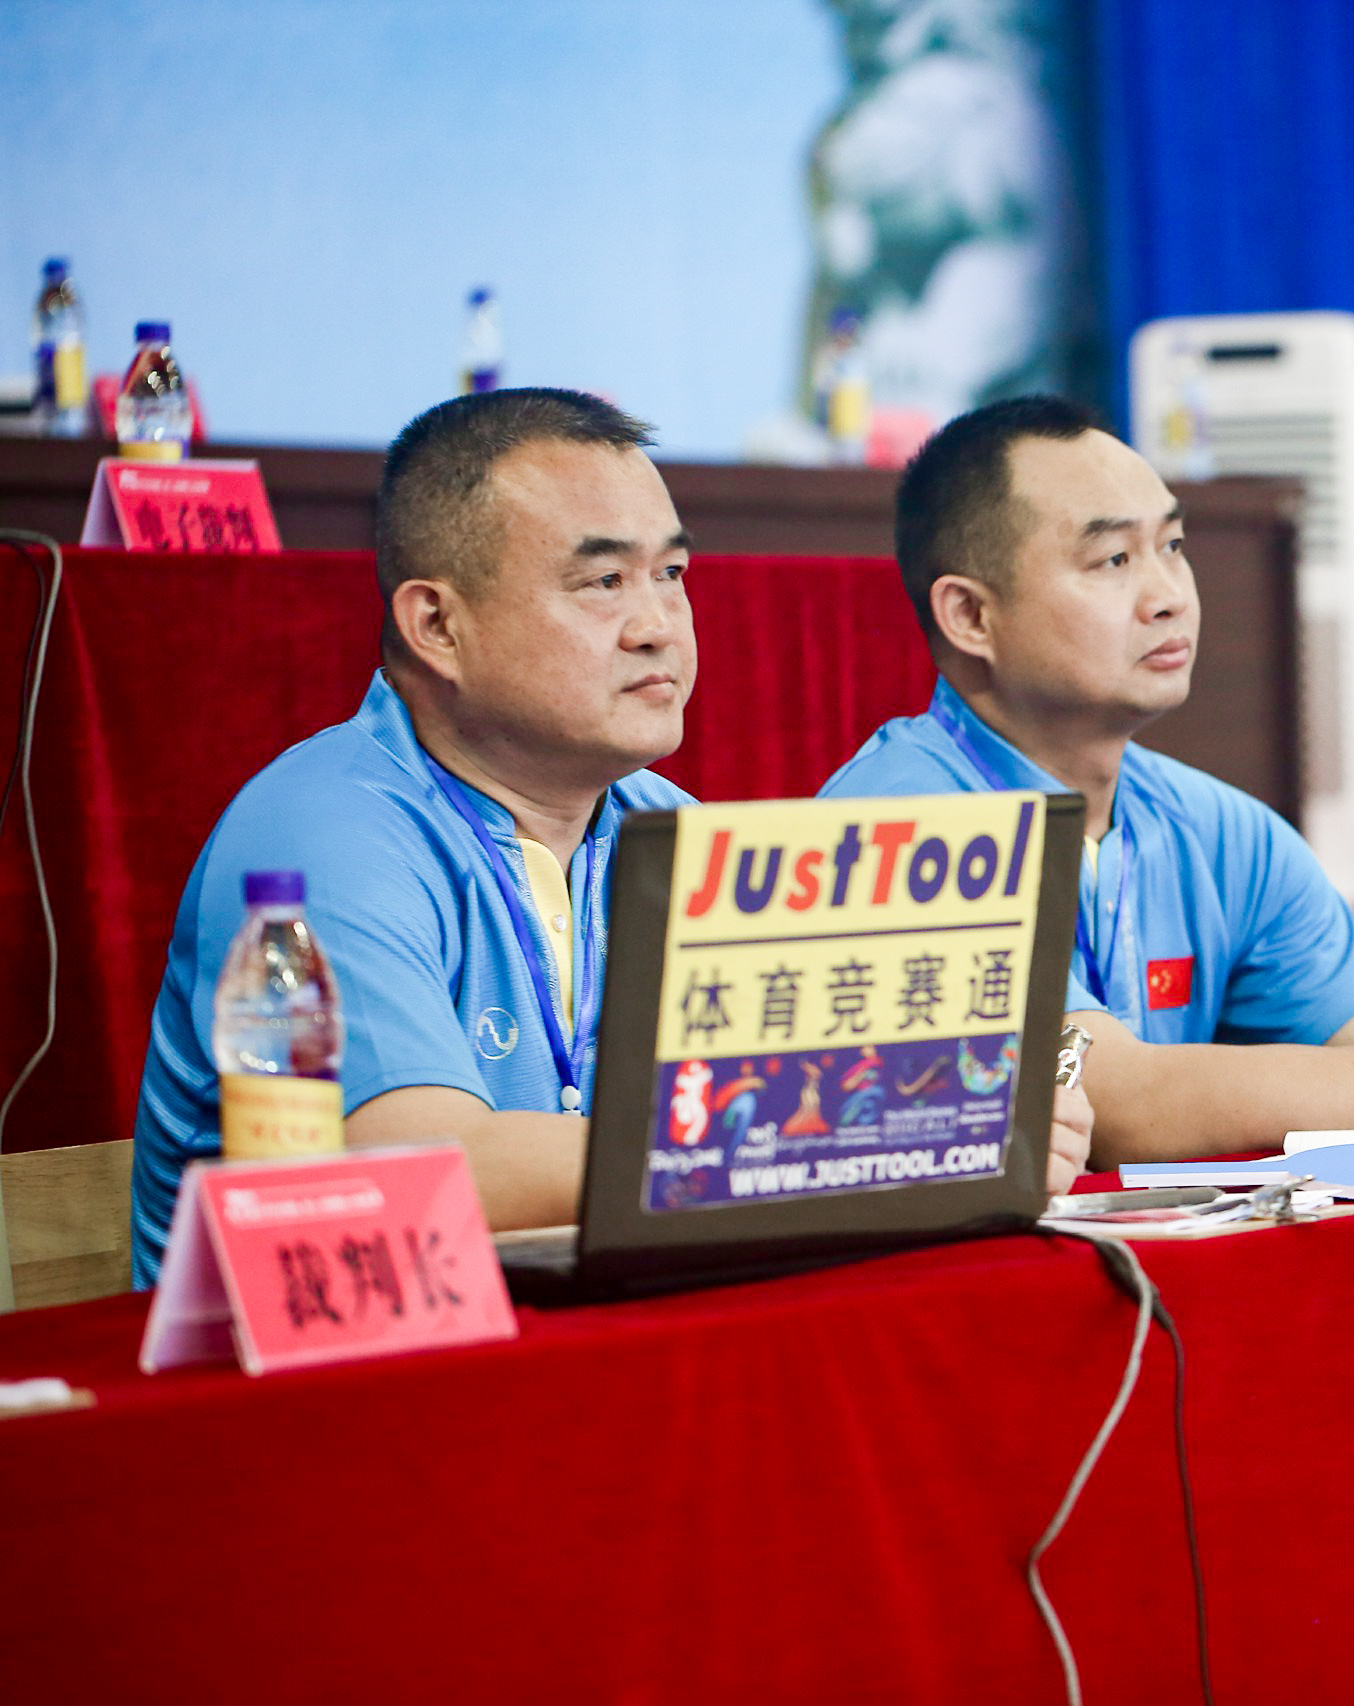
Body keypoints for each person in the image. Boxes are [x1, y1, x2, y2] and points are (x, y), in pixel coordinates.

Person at [128, 387, 1093, 1283]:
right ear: (437, 626)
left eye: (671, 574)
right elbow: (418, 1163)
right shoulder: (324, 833)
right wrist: (858, 1139)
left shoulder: (672, 828)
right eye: (602, 581)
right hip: (330, 1370)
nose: (658, 626)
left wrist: (968, 1114)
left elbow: (853, 1091)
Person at [820, 396, 1354, 1167]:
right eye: (1113, 560)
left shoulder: (1223, 831)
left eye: (1172, 546)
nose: (1169, 595)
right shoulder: (899, 832)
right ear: (971, 615)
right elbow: (1119, 1105)